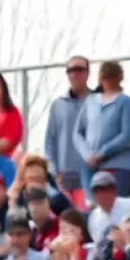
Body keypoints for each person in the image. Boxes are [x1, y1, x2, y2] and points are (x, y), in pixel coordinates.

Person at [72, 60, 130, 197]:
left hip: (118, 165)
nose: (107, 81)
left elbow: (128, 134)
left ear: (119, 78)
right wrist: (87, 155)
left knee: (116, 204)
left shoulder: (126, 102)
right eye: (104, 77)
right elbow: (77, 133)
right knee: (93, 209)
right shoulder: (90, 102)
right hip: (90, 167)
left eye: (111, 76)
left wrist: (102, 154)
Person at [45, 55, 92, 194]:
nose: (74, 74)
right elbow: (50, 141)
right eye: (70, 70)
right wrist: (53, 171)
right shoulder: (58, 105)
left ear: (87, 73)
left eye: (79, 69)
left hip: (91, 171)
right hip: (64, 175)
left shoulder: (98, 102)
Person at [86, 171, 130, 246]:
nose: (102, 193)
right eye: (97, 190)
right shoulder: (93, 218)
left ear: (114, 190)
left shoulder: (129, 205)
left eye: (107, 188)